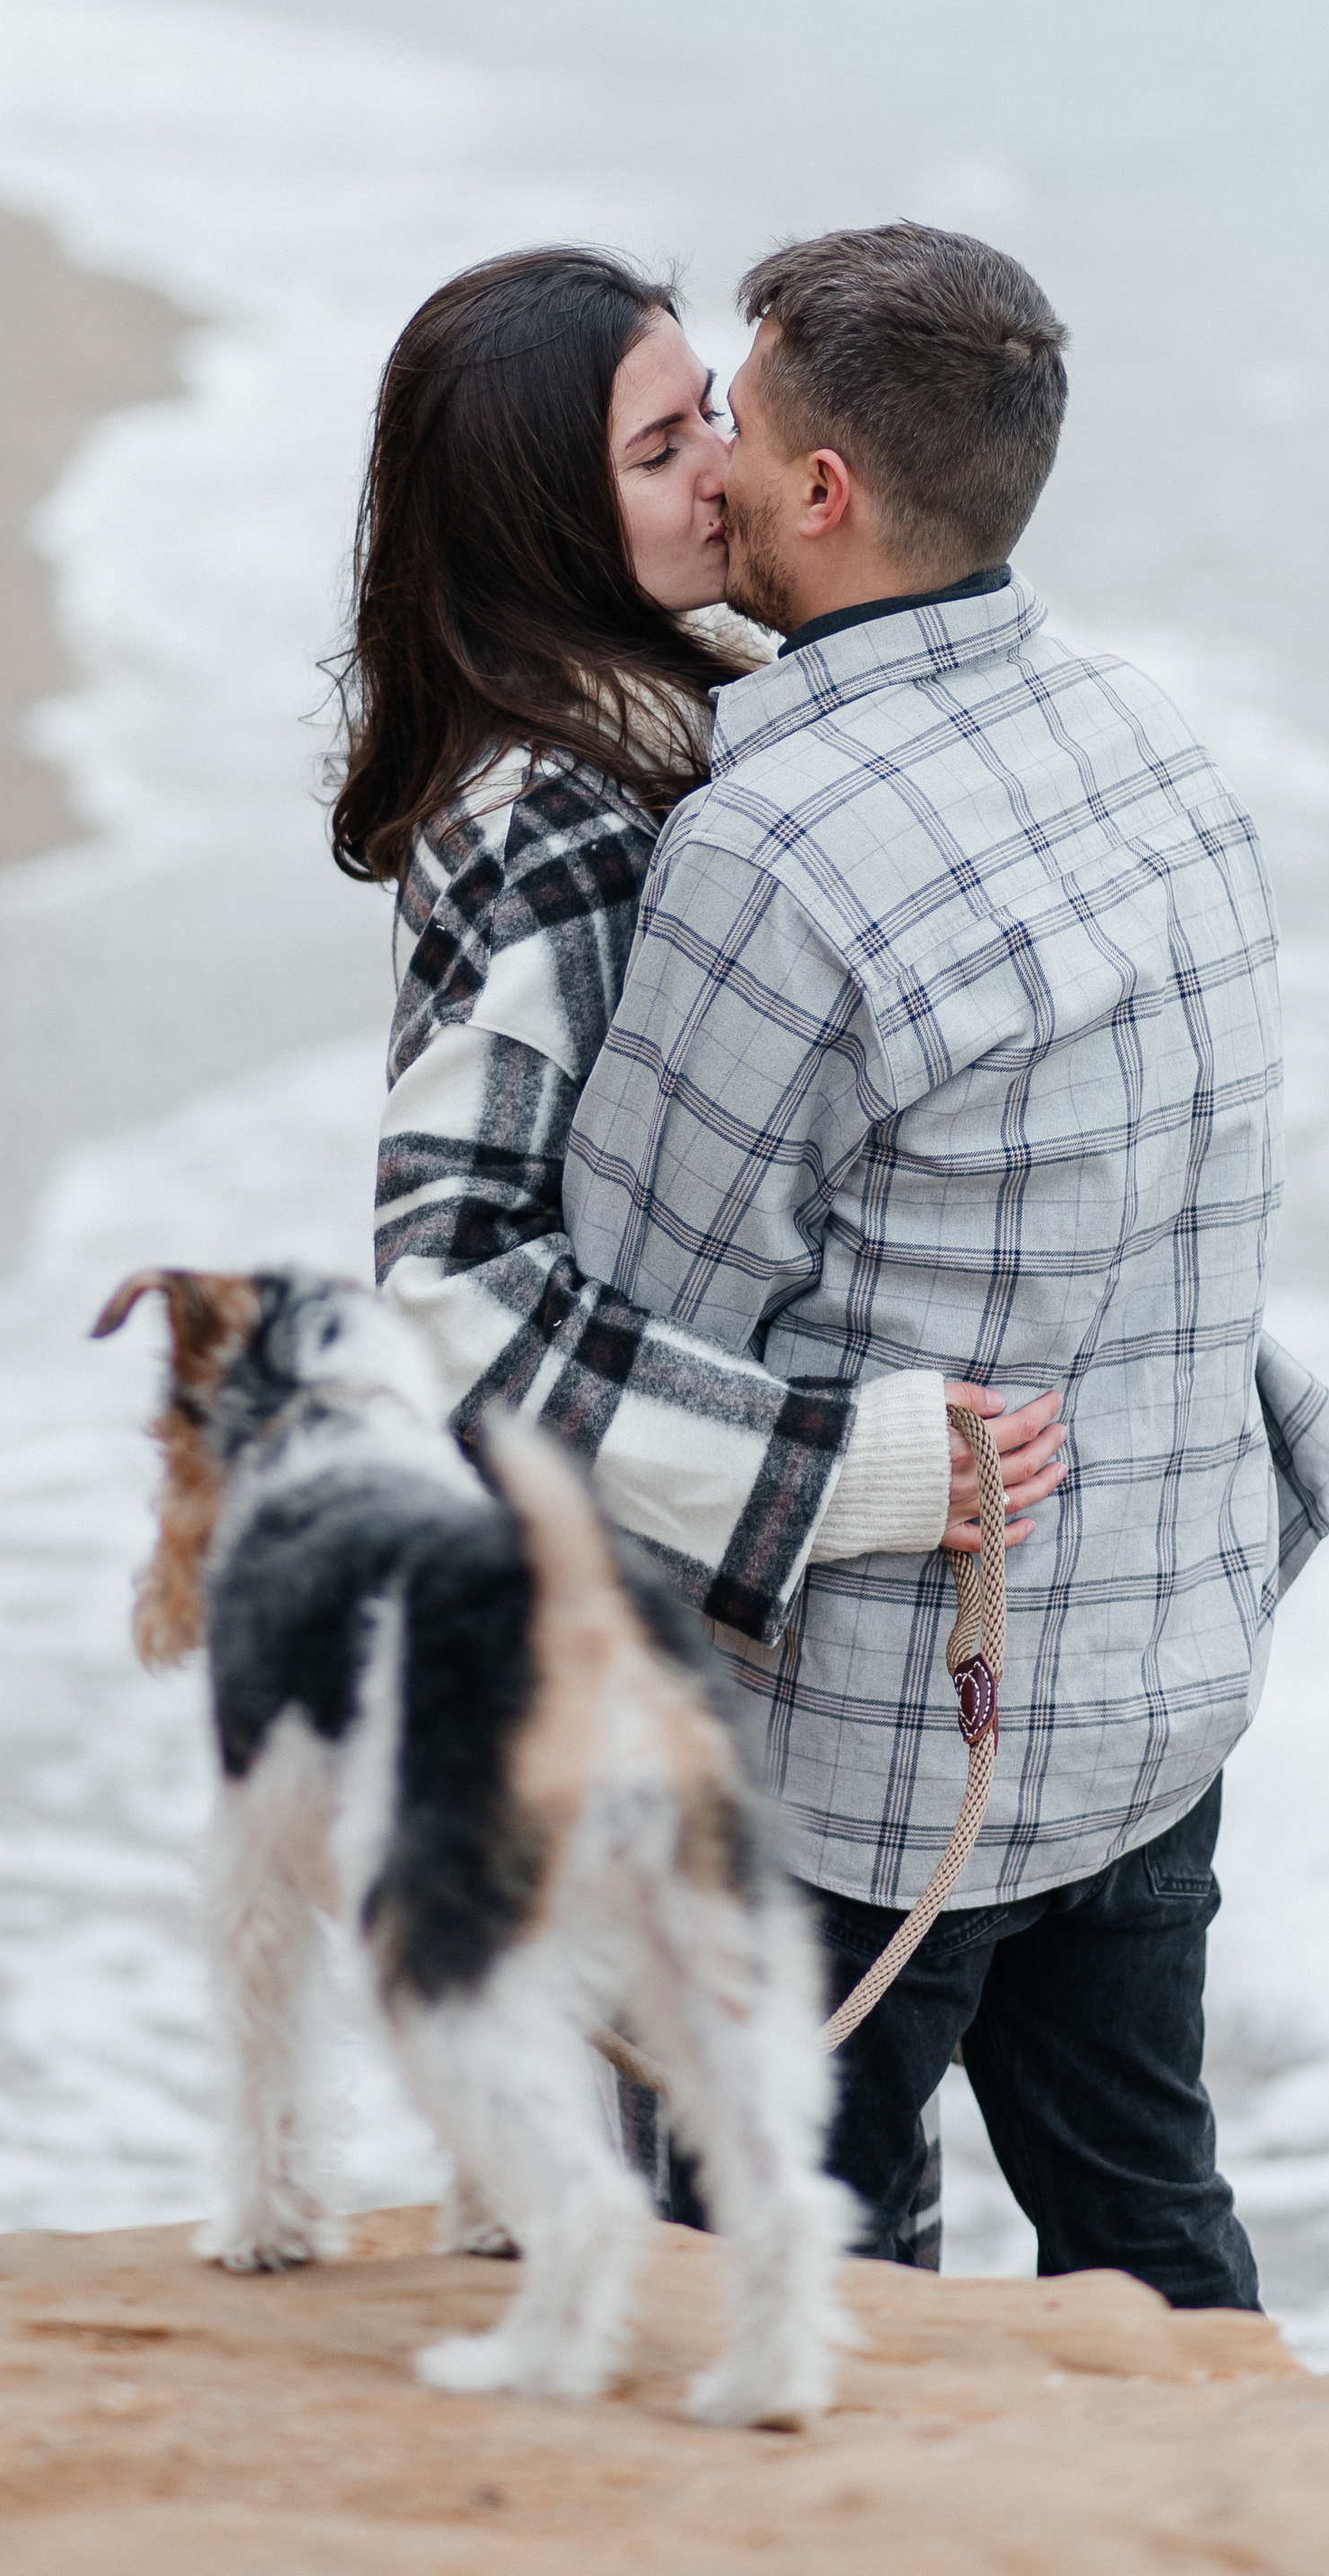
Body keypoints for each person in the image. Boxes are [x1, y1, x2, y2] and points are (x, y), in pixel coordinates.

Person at [561, 221, 1329, 2310]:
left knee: (772, 2293)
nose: (715, 467)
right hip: (1151, 1674)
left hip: (883, 1773)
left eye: (732, 426)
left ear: (823, 494)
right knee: (1145, 2236)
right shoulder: (1149, 738)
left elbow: (635, 1329)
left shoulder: (768, 840)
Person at [336, 239, 1066, 1662]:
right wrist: (841, 1472)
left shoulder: (692, 716)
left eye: (715, 417)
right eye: (661, 449)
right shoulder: (547, 813)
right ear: (541, 522)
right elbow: (445, 1289)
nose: (726, 471)